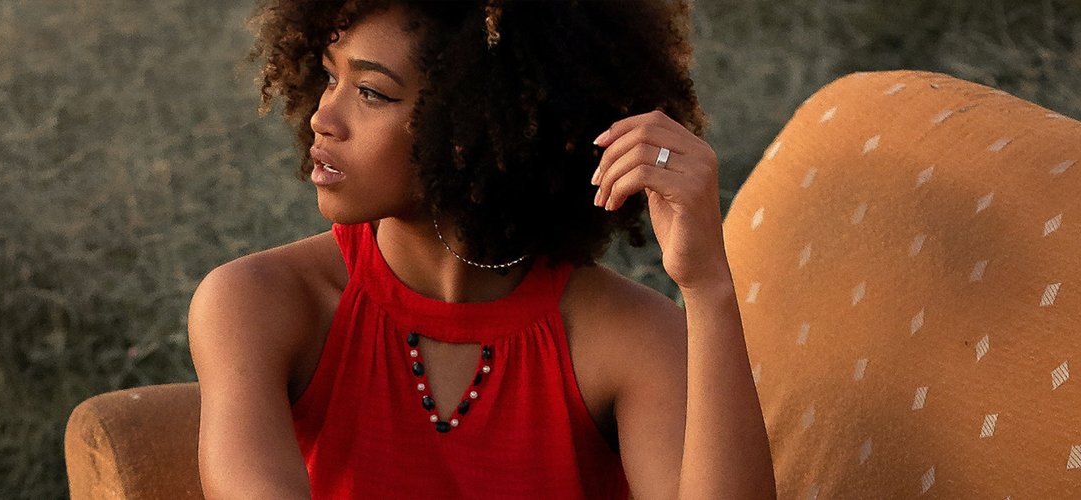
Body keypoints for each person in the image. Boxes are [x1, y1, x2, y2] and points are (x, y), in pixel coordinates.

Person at [187, 0, 775, 498]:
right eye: (327, 77)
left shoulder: (629, 336)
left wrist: (707, 287)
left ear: (479, 119)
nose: (324, 117)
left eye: (371, 92)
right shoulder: (255, 303)